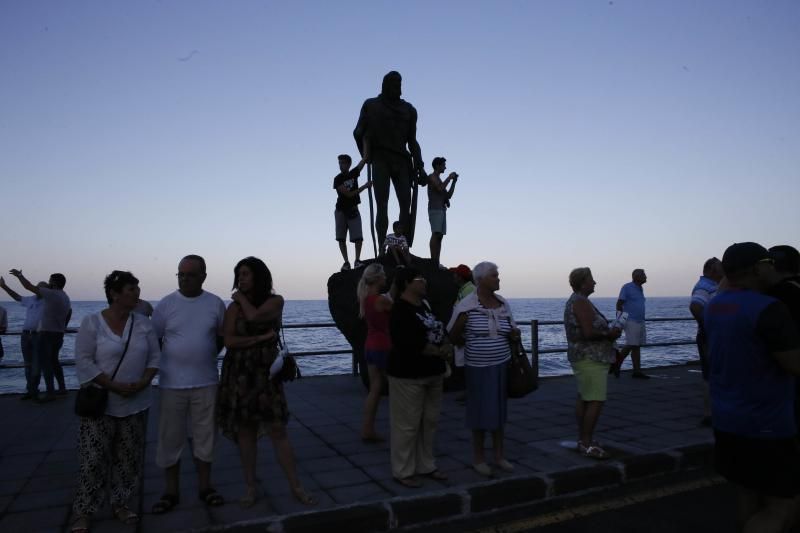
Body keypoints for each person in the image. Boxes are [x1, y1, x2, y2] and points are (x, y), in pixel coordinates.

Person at [705, 242, 800, 533]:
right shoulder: (769, 309)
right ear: (758, 267)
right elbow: (795, 366)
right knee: (782, 505)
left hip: (727, 419)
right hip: (768, 422)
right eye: (768, 262)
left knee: (747, 493)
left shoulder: (714, 306)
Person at [216, 257, 315, 507]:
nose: (241, 279)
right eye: (238, 274)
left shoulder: (275, 301)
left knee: (277, 430)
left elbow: (256, 317)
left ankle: (296, 486)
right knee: (246, 431)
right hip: (239, 373)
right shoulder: (233, 308)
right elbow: (229, 342)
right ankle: (250, 487)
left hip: (265, 374)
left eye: (246, 274)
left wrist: (241, 300)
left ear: (259, 276)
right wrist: (258, 340)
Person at [71, 271, 160, 532]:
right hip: (102, 404)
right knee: (94, 458)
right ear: (114, 293)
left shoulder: (143, 324)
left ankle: (121, 503)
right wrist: (113, 386)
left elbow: (155, 357)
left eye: (137, 288)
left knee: (129, 457)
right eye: (131, 289)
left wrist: (143, 382)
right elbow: (83, 360)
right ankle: (84, 510)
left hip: (136, 403)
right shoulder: (92, 323)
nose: (137, 293)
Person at [150, 255, 227, 514]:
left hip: (206, 382)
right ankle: (171, 491)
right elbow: (155, 340)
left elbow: (220, 338)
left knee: (205, 438)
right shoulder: (166, 305)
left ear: (203, 276)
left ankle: (206, 487)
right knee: (170, 439)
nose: (184, 278)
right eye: (180, 274)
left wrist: (201, 356)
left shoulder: (215, 304)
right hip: (171, 385)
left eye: (190, 274)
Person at [448, 262, 520, 476]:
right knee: (479, 413)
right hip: (477, 367)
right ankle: (479, 458)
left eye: (497, 275)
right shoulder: (467, 305)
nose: (498, 279)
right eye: (494, 276)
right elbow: (453, 335)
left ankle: (499, 456)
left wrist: (513, 335)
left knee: (499, 412)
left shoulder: (502, 303)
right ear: (480, 280)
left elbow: (512, 328)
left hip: (501, 365)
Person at [387, 267, 449, 487]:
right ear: (406, 283)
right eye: (419, 279)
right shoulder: (399, 310)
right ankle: (403, 470)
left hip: (433, 372)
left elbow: (438, 330)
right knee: (407, 424)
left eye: (424, 278)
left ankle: (426, 464)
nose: (424, 282)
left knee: (429, 421)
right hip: (408, 374)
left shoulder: (424, 306)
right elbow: (405, 341)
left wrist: (445, 347)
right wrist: (435, 350)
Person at [353, 71, 426, 249]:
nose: (397, 87)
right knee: (382, 205)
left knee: (404, 205)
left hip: (402, 160)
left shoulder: (409, 110)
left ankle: (403, 247)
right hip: (380, 158)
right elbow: (358, 133)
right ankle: (382, 249)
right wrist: (366, 154)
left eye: (399, 83)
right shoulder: (371, 105)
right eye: (394, 84)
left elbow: (412, 141)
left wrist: (420, 166)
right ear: (385, 85)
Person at [564, 267, 621, 459]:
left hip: (584, 357)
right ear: (582, 282)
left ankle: (584, 439)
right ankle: (586, 443)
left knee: (585, 398)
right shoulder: (580, 302)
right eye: (591, 279)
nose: (595, 282)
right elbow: (588, 333)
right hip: (590, 358)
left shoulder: (579, 301)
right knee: (595, 400)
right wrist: (609, 333)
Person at [8, 268, 72, 400]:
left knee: (45, 364)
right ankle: (59, 389)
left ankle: (50, 393)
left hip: (47, 334)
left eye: (49, 282)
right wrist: (63, 327)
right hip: (58, 334)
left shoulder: (51, 294)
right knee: (53, 361)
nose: (48, 284)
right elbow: (69, 312)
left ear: (53, 283)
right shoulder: (65, 296)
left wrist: (20, 275)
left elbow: (27, 286)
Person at [357, 264, 393, 442]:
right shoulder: (381, 300)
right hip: (383, 346)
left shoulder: (365, 299)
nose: (386, 278)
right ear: (377, 278)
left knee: (375, 389)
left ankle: (367, 429)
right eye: (384, 275)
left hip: (369, 346)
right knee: (397, 387)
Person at [689, 257, 724, 426]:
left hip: (713, 334)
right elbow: (695, 306)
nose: (723, 268)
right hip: (709, 335)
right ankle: (709, 413)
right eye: (720, 266)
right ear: (711, 269)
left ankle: (716, 409)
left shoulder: (715, 286)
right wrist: (709, 326)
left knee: (714, 372)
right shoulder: (705, 286)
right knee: (709, 374)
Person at [0, 277, 48, 398]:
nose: (37, 288)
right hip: (25, 335)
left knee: (36, 364)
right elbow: (16, 297)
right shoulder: (31, 299)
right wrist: (4, 286)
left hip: (39, 336)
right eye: (38, 286)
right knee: (28, 364)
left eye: (41, 287)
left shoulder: (48, 301)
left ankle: (34, 390)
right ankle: (30, 390)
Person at [333, 153, 372, 271]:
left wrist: (367, 141)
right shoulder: (337, 179)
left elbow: (364, 159)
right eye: (340, 163)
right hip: (341, 210)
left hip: (353, 209)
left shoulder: (354, 173)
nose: (341, 166)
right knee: (341, 238)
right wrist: (365, 186)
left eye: (343, 163)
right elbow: (348, 194)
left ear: (348, 164)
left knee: (358, 237)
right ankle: (346, 262)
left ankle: (357, 260)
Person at [614, 269, 649, 379]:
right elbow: (619, 303)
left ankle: (637, 371)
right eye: (643, 275)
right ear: (636, 277)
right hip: (630, 320)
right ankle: (617, 363)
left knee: (636, 346)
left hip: (640, 320)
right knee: (632, 344)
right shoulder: (627, 287)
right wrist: (620, 320)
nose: (646, 277)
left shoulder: (640, 288)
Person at [449, 264, 475, 403]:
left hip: (465, 334)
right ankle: (469, 392)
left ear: (459, 277)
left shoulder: (469, 290)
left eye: (455, 274)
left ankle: (471, 393)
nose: (453, 277)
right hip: (462, 334)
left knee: (468, 363)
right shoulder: (465, 289)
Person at [427, 157, 459, 269]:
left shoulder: (440, 180)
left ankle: (436, 261)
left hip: (441, 209)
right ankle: (433, 261)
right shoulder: (432, 177)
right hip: (435, 209)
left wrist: (453, 182)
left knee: (440, 236)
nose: (445, 167)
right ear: (437, 166)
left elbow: (448, 195)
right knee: (435, 233)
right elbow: (440, 189)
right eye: (443, 165)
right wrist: (449, 178)